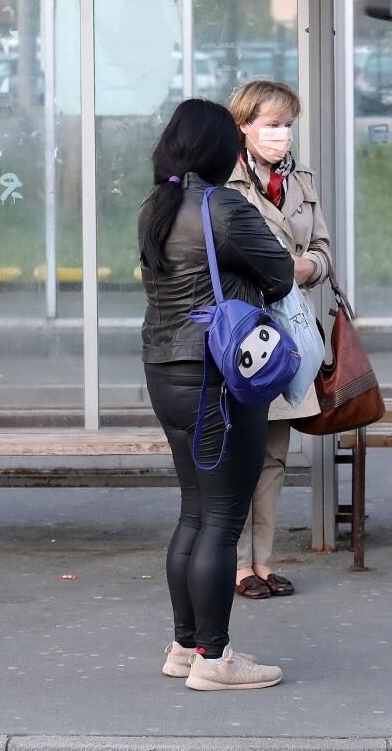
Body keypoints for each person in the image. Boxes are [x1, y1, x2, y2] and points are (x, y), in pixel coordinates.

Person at [139, 98, 295, 692]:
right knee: (224, 518)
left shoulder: (155, 207)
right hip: (219, 375)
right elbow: (279, 273)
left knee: (194, 511)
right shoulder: (223, 208)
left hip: (165, 370)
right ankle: (214, 658)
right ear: (219, 149)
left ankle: (185, 646)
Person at [224, 80, 331, 599]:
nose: (282, 135)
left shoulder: (300, 179)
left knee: (273, 456)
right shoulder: (224, 181)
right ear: (244, 125)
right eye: (271, 124)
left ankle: (263, 562)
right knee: (238, 454)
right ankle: (236, 565)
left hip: (290, 332)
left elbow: (324, 250)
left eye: (288, 125)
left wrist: (307, 267)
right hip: (243, 332)